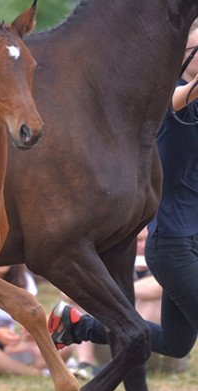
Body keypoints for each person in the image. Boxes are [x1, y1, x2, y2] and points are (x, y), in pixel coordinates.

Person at [48, 24, 198, 364]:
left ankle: (76, 326)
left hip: (193, 238)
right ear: (182, 53)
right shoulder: (164, 94)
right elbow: (175, 103)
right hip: (173, 244)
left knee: (176, 343)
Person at [0, 265, 65, 377]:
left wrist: (32, 332)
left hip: (10, 349)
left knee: (62, 342)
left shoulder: (23, 280)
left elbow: (36, 318)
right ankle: (35, 373)